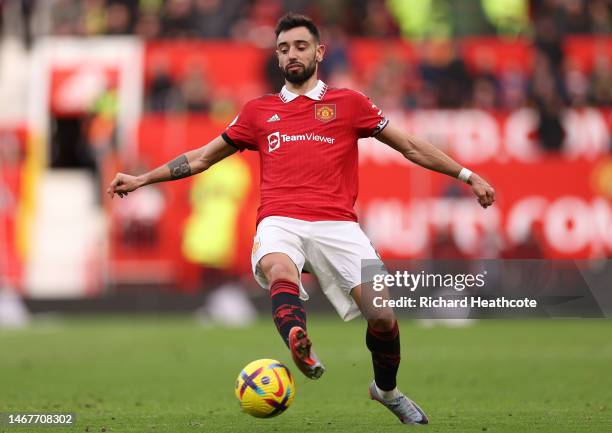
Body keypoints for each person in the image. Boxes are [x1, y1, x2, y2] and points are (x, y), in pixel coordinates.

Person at [107, 13, 495, 425]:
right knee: (278, 267)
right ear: (277, 57)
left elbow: (411, 146)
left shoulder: (350, 104)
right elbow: (202, 157)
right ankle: (296, 336)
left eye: (300, 46)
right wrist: (143, 178)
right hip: (280, 219)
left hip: (339, 225)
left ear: (319, 51)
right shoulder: (259, 112)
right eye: (284, 48)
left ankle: (386, 390)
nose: (292, 54)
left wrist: (466, 175)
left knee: (382, 316)